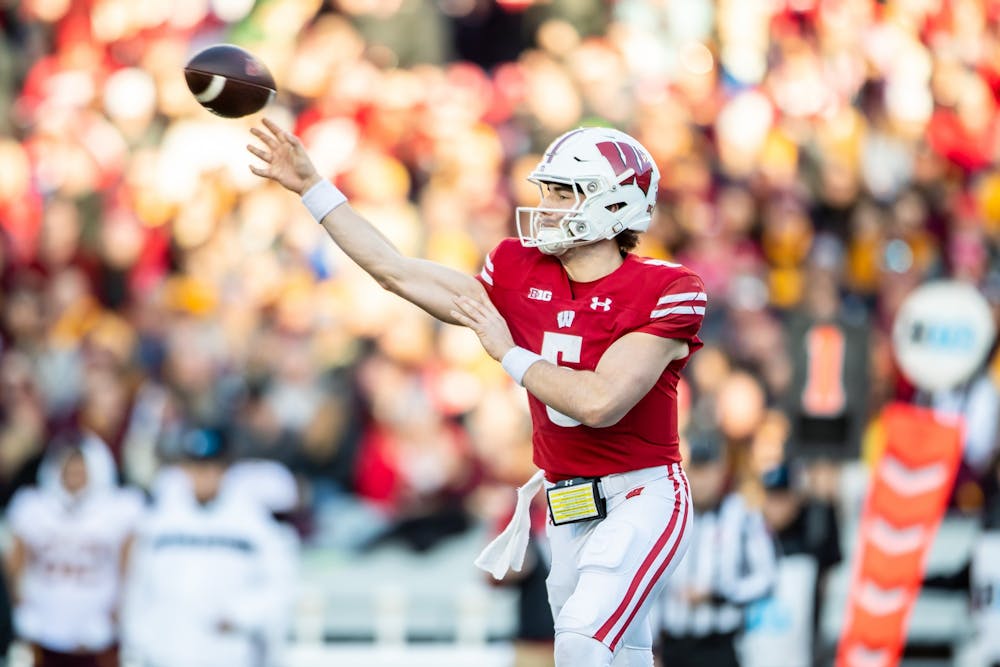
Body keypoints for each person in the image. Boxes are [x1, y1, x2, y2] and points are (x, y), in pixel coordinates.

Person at [247, 119, 706, 666]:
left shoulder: (666, 288)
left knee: (581, 641)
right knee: (618, 657)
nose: (547, 206)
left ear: (615, 205)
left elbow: (599, 402)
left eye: (564, 193)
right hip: (567, 502)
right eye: (547, 190)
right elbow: (396, 272)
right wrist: (313, 188)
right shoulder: (518, 269)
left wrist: (508, 352)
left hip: (641, 496)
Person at [121, 424, 297, 667]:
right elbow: (138, 588)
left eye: (210, 467)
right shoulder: (160, 521)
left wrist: (240, 614)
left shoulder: (253, 522)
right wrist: (138, 643)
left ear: (224, 469)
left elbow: (280, 585)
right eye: (195, 466)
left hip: (229, 654)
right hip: (169, 654)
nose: (202, 475)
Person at [3, 429, 143, 667]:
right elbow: (14, 564)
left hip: (98, 636)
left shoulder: (120, 508)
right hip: (42, 633)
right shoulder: (32, 506)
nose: (74, 475)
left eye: (81, 469)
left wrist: (117, 614)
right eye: (68, 468)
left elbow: (130, 567)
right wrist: (21, 608)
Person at [655, 429, 776, 667]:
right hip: (672, 647)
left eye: (708, 471)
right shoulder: (668, 513)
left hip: (718, 646)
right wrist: (652, 646)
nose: (702, 481)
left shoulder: (742, 514)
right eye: (696, 470)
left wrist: (720, 593)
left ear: (721, 471)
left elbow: (767, 578)